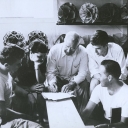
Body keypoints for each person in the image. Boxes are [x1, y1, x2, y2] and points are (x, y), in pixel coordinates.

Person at [46, 31, 89, 115]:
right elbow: (50, 71)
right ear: (64, 40)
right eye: (67, 46)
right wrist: (52, 82)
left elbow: (82, 73)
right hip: (57, 78)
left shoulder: (83, 52)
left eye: (73, 48)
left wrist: (73, 83)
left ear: (78, 45)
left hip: (74, 79)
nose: (69, 50)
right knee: (50, 87)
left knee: (85, 85)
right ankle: (53, 116)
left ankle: (82, 115)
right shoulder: (54, 50)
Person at [0, 45, 43, 127]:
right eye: (18, 64)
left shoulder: (5, 71)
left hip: (8, 110)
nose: (20, 66)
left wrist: (28, 94)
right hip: (2, 121)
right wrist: (23, 116)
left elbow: (14, 86)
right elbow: (2, 112)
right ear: (6, 65)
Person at [11, 31, 49, 125]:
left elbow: (41, 80)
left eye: (44, 57)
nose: (42, 59)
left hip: (34, 85)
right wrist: (28, 92)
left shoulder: (41, 59)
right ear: (31, 52)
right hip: (20, 86)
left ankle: (40, 120)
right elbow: (11, 82)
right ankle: (26, 121)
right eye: (40, 56)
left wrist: (37, 66)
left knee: (42, 91)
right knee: (21, 100)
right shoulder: (21, 58)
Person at [82, 60, 128, 128]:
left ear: (109, 78)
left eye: (100, 75)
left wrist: (108, 126)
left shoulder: (126, 93)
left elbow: (124, 124)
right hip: (105, 122)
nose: (98, 77)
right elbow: (87, 111)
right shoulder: (99, 88)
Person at [86, 30, 127, 95]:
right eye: (94, 48)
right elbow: (93, 69)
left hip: (115, 77)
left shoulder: (117, 50)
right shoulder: (89, 49)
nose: (95, 52)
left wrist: (112, 81)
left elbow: (122, 70)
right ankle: (95, 104)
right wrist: (103, 80)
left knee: (119, 89)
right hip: (99, 76)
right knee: (93, 85)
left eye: (98, 48)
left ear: (106, 45)